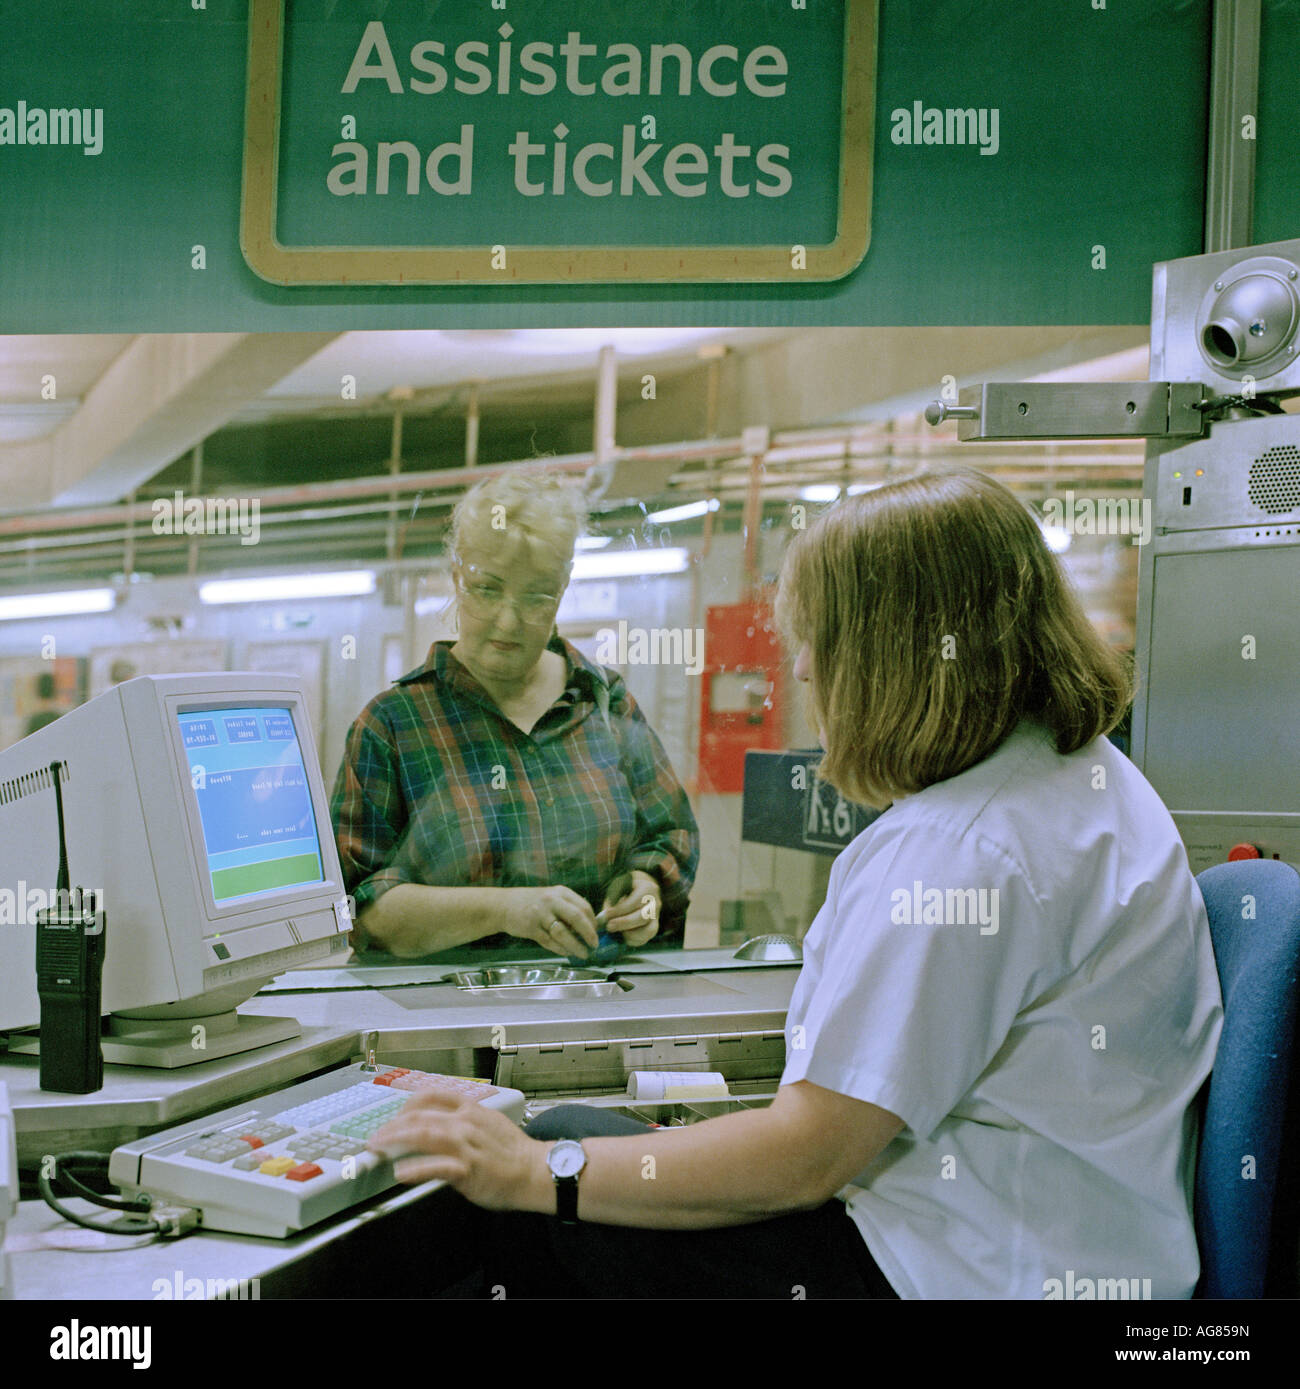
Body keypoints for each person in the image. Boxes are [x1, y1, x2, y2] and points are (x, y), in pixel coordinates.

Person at [367, 466, 1223, 1299]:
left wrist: (531, 1169)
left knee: (544, 1183)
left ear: (897, 652)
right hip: (1064, 1237)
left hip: (951, 1266)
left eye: (819, 637)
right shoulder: (1085, 776)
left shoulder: (961, 852)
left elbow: (806, 1157)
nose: (805, 670)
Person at [331, 470, 699, 961]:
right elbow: (358, 910)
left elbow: (669, 837)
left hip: (596, 1010)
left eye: (537, 596)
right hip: (446, 1022)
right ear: (458, 576)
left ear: (564, 586)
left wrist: (646, 891)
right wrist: (507, 910)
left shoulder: (604, 704)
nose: (509, 620)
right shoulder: (394, 727)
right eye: (488, 589)